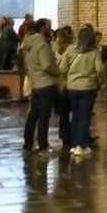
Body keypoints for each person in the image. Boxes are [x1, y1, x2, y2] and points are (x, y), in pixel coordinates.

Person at [21, 18, 62, 153]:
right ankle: (43, 144)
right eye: (49, 26)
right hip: (46, 84)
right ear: (43, 27)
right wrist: (58, 72)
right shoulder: (42, 45)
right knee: (44, 117)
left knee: (33, 115)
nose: (51, 29)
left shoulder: (29, 44)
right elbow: (47, 65)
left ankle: (28, 143)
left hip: (36, 84)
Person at [62, 25, 104, 156]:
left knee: (75, 116)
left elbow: (62, 68)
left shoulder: (70, 49)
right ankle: (82, 145)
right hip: (88, 87)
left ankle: (74, 144)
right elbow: (100, 69)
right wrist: (101, 81)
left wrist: (67, 79)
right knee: (85, 116)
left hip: (72, 88)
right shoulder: (94, 52)